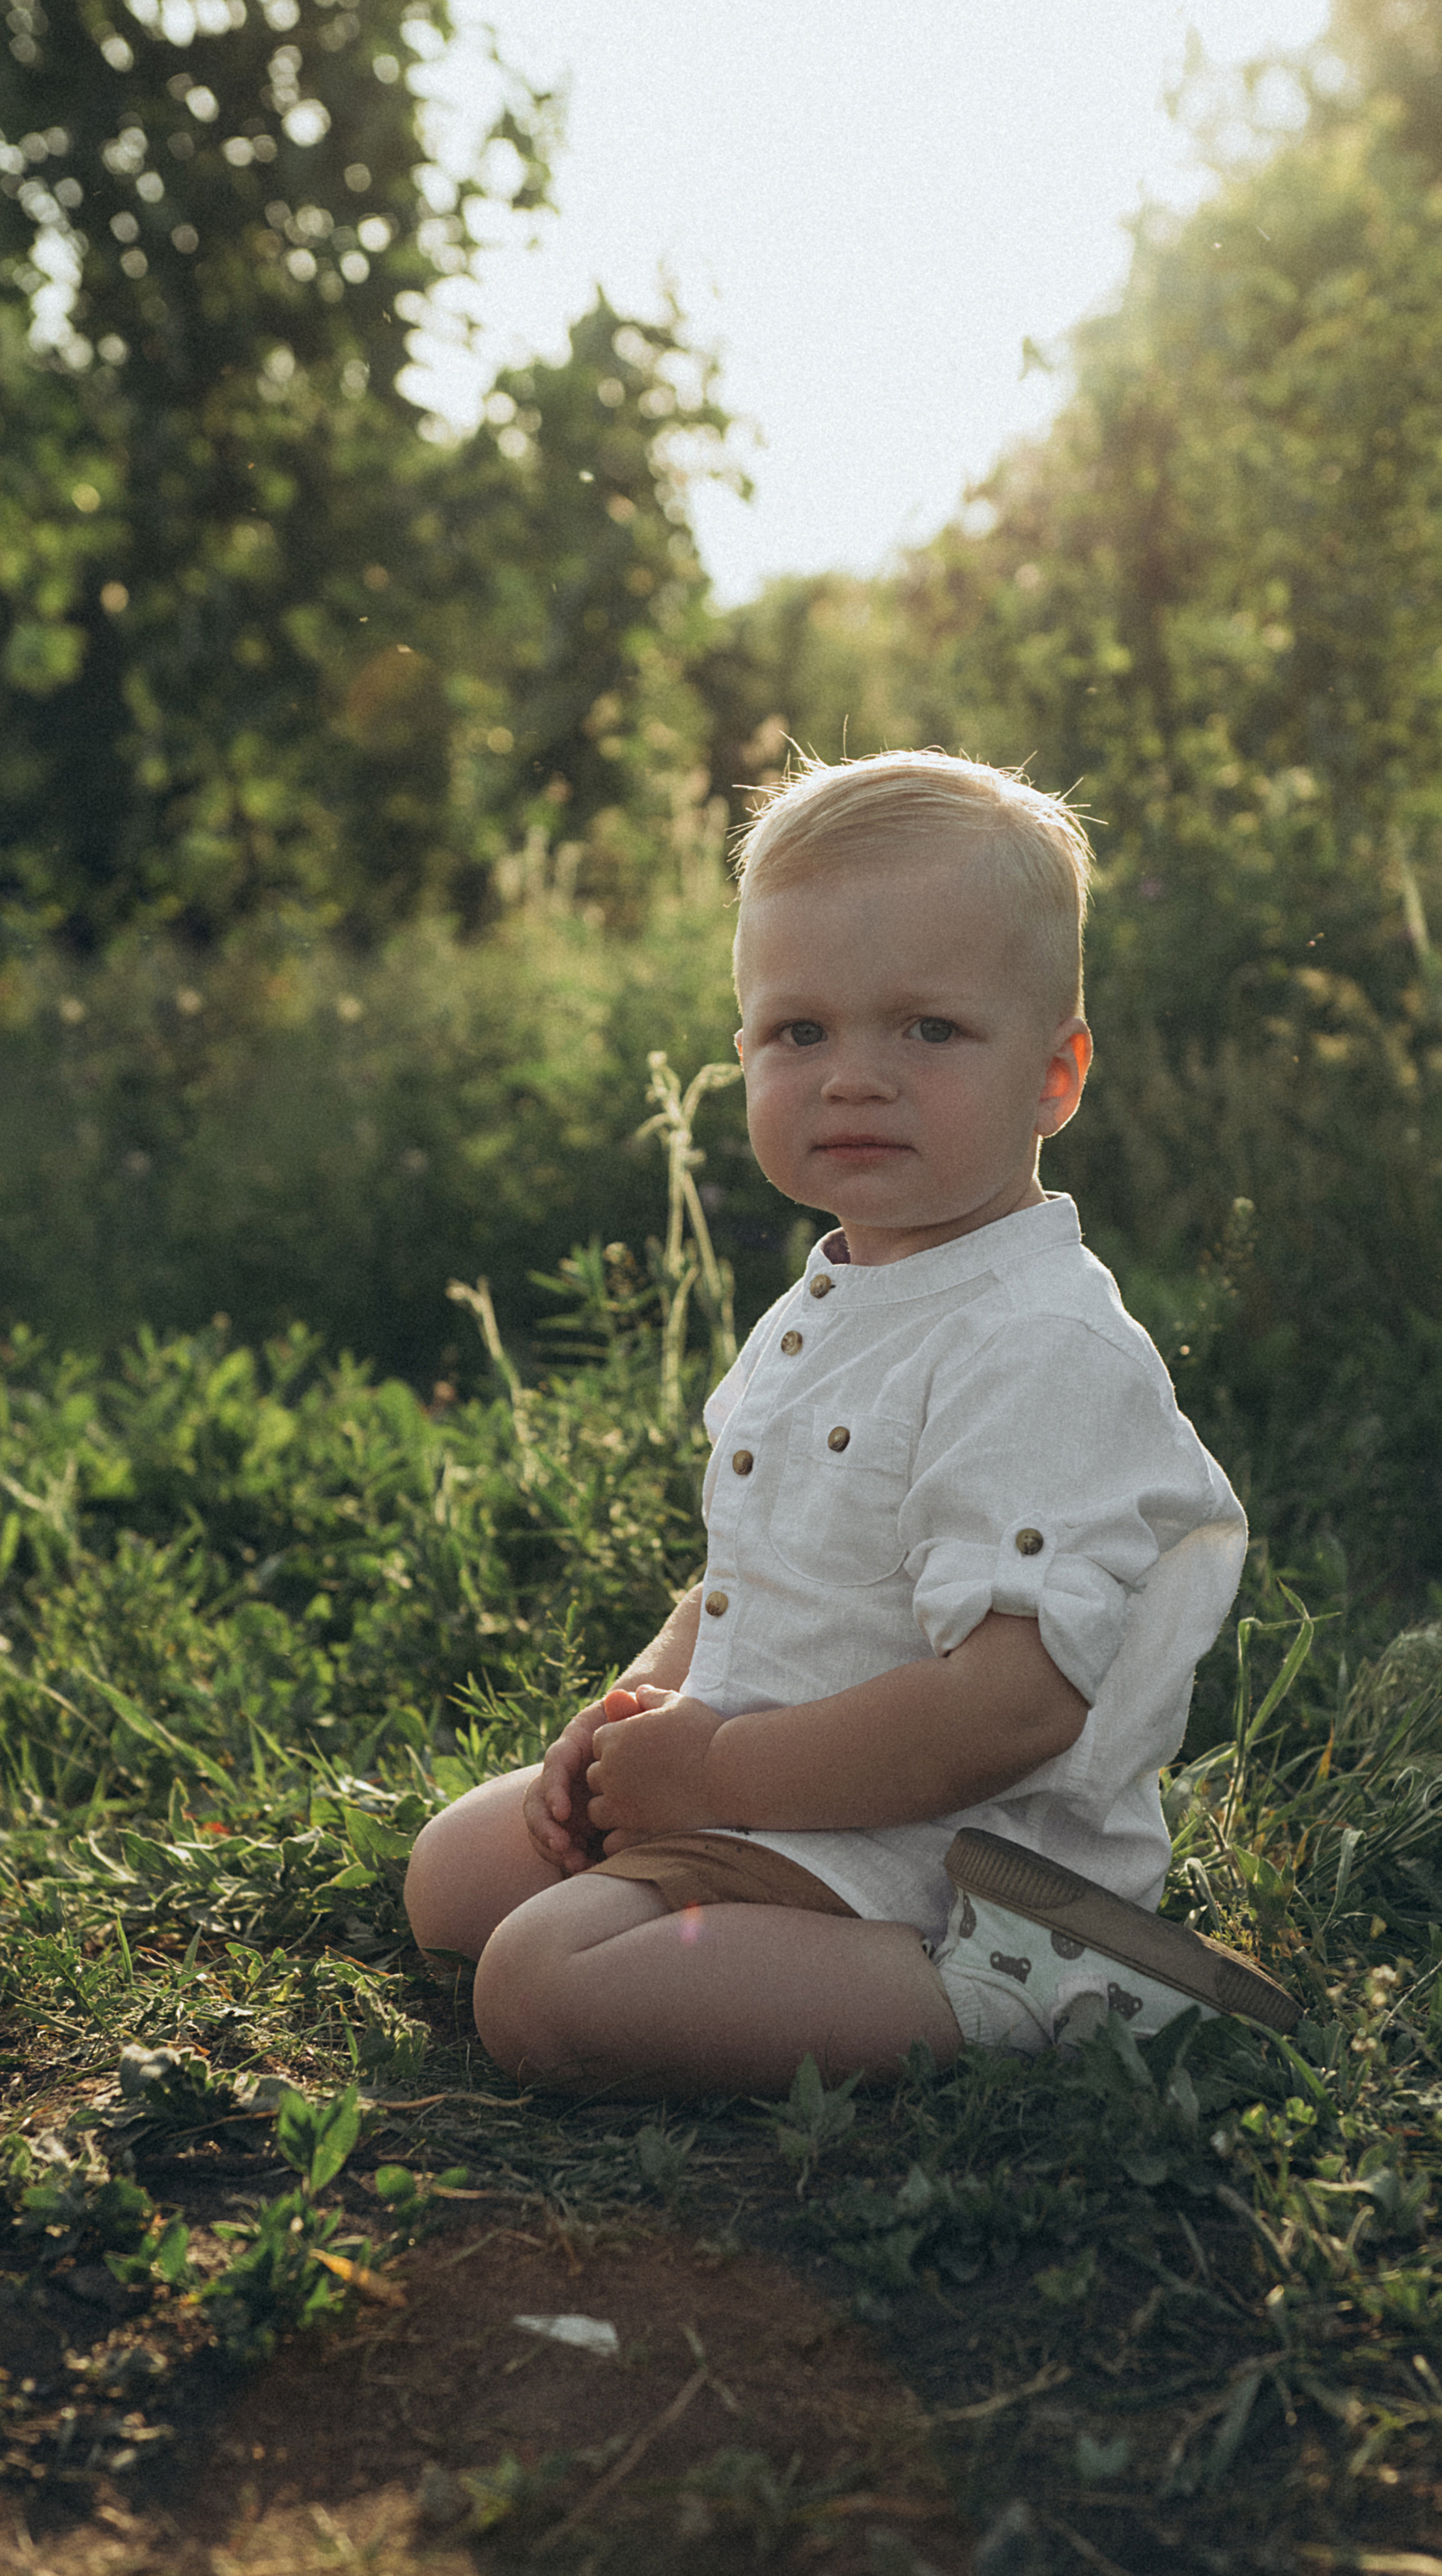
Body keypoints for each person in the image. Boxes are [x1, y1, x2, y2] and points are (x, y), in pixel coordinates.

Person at [403, 751, 1290, 2098]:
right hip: (764, 1790)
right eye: (798, 1032)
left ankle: (1034, 1993)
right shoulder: (839, 1294)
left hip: (939, 1856)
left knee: (537, 1986)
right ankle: (709, 1913)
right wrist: (649, 1701)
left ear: (1053, 1077)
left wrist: (709, 1773)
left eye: (926, 1031)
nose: (853, 1078)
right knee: (452, 1877)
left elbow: (1007, 1711)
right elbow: (755, 1574)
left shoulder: (1033, 1343)